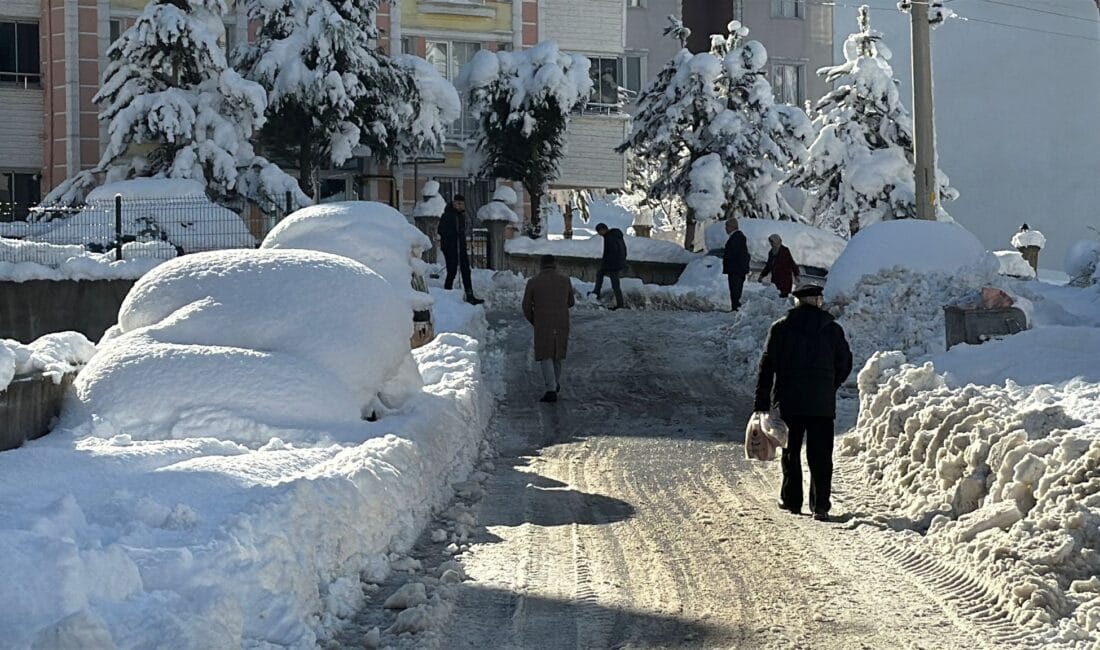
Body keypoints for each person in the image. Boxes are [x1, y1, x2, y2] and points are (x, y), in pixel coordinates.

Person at [754, 283, 853, 522]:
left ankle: (792, 500)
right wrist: (830, 384)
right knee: (821, 455)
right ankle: (820, 505)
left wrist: (762, 402)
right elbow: (845, 363)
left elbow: (767, 366)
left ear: (797, 302)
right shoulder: (832, 330)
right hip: (822, 403)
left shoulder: (781, 328)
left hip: (789, 401)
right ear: (817, 301)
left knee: (791, 451)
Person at [522, 255, 575, 403]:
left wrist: (535, 320)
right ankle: (555, 383)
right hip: (561, 321)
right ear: (555, 265)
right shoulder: (565, 281)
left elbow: (526, 306)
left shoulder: (533, 282)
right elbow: (571, 302)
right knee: (557, 354)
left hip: (543, 322)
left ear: (541, 265)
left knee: (545, 355)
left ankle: (551, 389)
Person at [438, 194, 483, 305]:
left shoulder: (461, 216)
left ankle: (470, 295)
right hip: (450, 248)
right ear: (453, 203)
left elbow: (462, 233)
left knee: (466, 271)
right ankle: (446, 294)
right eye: (458, 203)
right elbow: (441, 231)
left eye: (462, 204)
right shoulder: (447, 215)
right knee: (452, 271)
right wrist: (452, 235)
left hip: (461, 247)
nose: (460, 206)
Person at [590, 222, 627, 309]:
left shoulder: (609, 237)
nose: (599, 234)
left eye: (599, 232)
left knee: (615, 285)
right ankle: (596, 293)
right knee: (600, 274)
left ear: (603, 230)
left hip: (613, 264)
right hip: (618, 262)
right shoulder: (615, 235)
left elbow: (611, 252)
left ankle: (620, 304)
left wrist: (606, 264)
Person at [722, 216, 751, 311]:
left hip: (736, 269)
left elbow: (738, 254)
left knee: (735, 289)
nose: (726, 229)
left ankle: (735, 308)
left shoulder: (737, 237)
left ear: (732, 227)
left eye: (727, 226)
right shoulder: (736, 237)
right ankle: (734, 307)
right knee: (734, 289)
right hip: (736, 269)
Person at [759, 234, 800, 298]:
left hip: (785, 280)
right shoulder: (771, 252)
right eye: (770, 242)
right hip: (775, 279)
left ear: (776, 241)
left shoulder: (785, 251)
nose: (771, 244)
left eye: (772, 242)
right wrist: (762, 275)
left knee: (783, 297)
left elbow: (792, 263)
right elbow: (768, 266)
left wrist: (796, 274)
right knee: (776, 296)